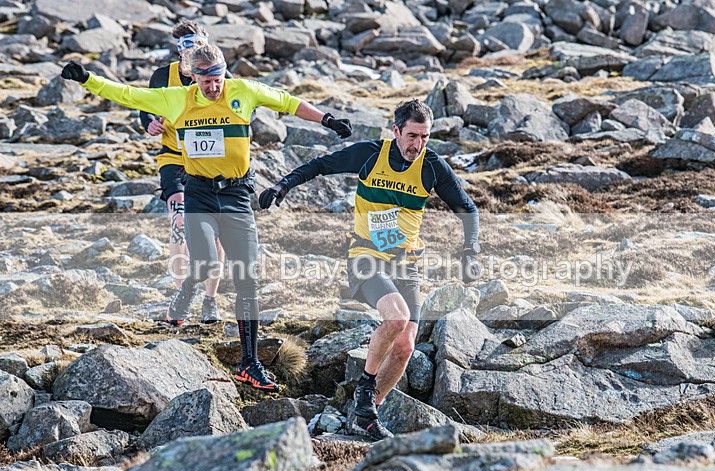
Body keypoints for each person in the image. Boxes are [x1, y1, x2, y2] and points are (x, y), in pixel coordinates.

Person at [61, 44, 352, 390]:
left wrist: (328, 120)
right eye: (205, 80)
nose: (213, 86)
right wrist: (87, 79)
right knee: (207, 262)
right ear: (192, 76)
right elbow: (128, 94)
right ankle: (185, 293)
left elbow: (287, 102)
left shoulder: (243, 91)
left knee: (247, 277)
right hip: (198, 193)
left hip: (236, 196)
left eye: (217, 78)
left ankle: (249, 363)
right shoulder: (177, 99)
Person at [259, 99, 481, 439]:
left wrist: (471, 249)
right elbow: (320, 165)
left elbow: (468, 208)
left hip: (406, 263)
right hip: (366, 256)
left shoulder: (432, 166)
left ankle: (365, 413)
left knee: (406, 344)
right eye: (411, 136)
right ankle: (364, 392)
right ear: (395, 132)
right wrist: (282, 186)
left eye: (424, 137)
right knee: (395, 317)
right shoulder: (369, 154)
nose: (417, 145)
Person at [140, 20, 229, 323]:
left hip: (212, 161)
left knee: (215, 234)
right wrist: (149, 123)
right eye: (187, 47)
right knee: (180, 220)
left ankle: (210, 298)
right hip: (174, 158)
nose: (193, 53)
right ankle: (183, 295)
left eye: (198, 46)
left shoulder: (219, 73)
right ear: (179, 50)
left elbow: (243, 108)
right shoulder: (161, 77)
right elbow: (145, 109)